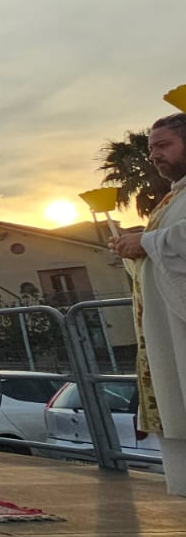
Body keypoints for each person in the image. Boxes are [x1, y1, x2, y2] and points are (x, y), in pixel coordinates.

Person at [109, 112, 186, 495]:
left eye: (163, 145)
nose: (154, 155)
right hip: (167, 331)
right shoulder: (175, 197)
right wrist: (133, 245)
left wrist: (149, 242)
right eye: (151, 148)